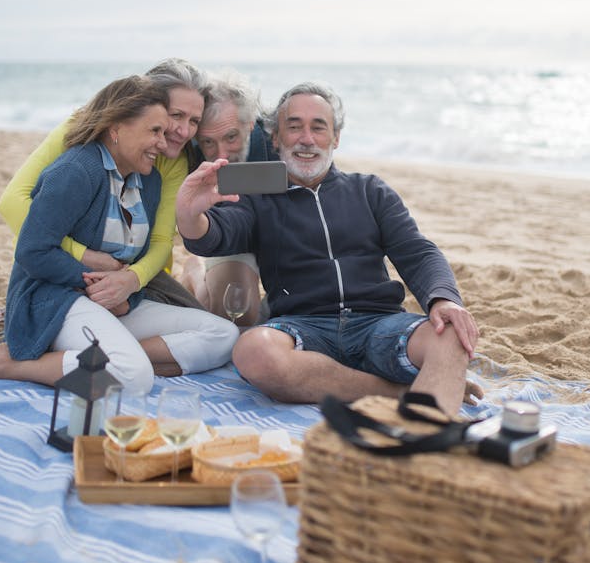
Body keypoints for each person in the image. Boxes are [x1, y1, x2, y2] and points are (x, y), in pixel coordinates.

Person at [175, 82, 481, 414]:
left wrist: (443, 299)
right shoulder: (256, 200)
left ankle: (428, 434)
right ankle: (399, 394)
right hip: (303, 327)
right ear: (276, 139)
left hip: (378, 324)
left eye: (318, 127)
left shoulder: (370, 190)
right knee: (252, 350)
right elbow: (217, 233)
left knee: (451, 331)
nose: (306, 139)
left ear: (335, 138)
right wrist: (191, 213)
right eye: (294, 127)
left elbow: (417, 251)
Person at [0, 76, 239, 391]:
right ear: (116, 129)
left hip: (112, 300)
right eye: (154, 131)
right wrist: (96, 287)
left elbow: (135, 260)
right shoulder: (75, 171)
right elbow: (32, 251)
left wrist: (127, 292)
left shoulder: (149, 181)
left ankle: (104, 357)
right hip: (58, 298)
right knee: (135, 376)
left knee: (223, 336)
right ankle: (7, 364)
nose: (162, 140)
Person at [0, 58, 208, 310]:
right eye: (176, 116)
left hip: (135, 265)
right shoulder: (83, 131)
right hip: (57, 259)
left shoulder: (176, 161)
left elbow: (162, 240)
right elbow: (12, 202)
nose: (184, 132)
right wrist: (84, 255)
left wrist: (131, 279)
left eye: (194, 121)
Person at [180, 70, 277, 326]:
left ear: (251, 123)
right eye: (208, 142)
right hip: (229, 235)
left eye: (231, 137)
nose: (221, 154)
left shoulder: (278, 139)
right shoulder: (189, 153)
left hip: (278, 233)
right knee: (235, 312)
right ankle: (195, 272)